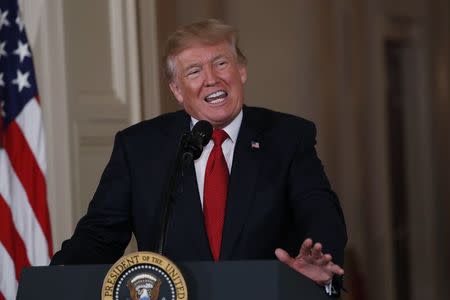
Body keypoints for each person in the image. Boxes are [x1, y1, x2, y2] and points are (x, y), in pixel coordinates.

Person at [51, 19, 347, 296]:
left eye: (221, 64)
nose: (211, 79)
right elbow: (100, 235)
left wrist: (320, 263)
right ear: (177, 90)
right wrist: (54, 281)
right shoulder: (140, 147)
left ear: (241, 71)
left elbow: (320, 213)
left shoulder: (287, 136)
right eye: (194, 71)